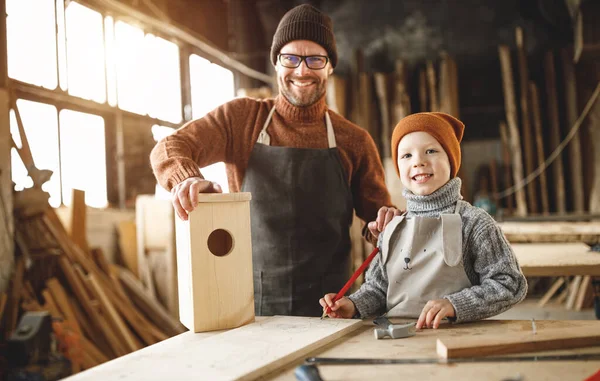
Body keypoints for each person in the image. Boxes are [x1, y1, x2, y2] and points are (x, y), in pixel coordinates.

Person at [150, 4, 399, 317]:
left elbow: (379, 220)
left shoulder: (354, 140)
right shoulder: (241, 119)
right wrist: (184, 178)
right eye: (291, 58)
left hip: (333, 307)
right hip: (252, 305)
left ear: (329, 67)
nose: (302, 70)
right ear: (277, 64)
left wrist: (384, 226)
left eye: (315, 59)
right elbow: (169, 146)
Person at [319, 112, 527, 329]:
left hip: (458, 340)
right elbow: (379, 289)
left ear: (451, 160)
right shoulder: (392, 228)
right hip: (397, 340)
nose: (418, 161)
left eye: (431, 151)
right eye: (407, 155)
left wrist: (455, 305)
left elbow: (509, 284)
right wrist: (352, 305)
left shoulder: (475, 223)